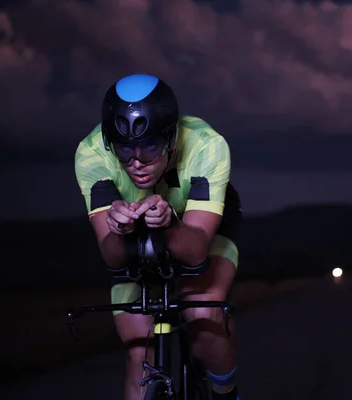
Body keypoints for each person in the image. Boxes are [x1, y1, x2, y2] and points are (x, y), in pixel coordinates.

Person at [74, 73, 242, 400]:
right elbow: (112, 258)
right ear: (110, 142)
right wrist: (119, 230)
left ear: (172, 138)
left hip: (201, 226)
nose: (138, 162)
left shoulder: (207, 145)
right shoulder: (91, 153)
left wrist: (168, 225)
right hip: (136, 236)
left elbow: (194, 253)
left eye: (151, 145)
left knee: (203, 313)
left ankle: (226, 392)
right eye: (125, 148)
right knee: (139, 352)